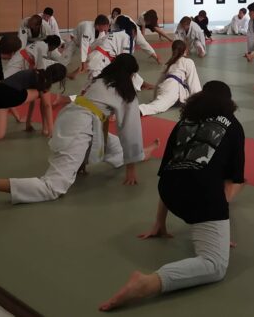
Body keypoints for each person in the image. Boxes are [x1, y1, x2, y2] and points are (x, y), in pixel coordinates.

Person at [99, 81, 244, 311]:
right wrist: (219, 227)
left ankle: (164, 227)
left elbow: (170, 168)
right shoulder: (233, 126)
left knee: (187, 171)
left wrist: (159, 222)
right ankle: (147, 283)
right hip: (202, 197)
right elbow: (231, 182)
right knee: (215, 265)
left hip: (168, 190)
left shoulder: (184, 122)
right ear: (229, 103)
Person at [0, 54, 159, 209]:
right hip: (81, 126)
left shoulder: (98, 80)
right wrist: (130, 170)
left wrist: (84, 160)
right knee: (54, 187)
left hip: (76, 119)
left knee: (116, 149)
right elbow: (130, 131)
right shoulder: (127, 93)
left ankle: (143, 152)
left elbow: (102, 120)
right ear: (131, 74)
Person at [140, 40, 202, 116]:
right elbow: (193, 82)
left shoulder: (169, 63)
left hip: (165, 87)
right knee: (159, 106)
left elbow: (159, 82)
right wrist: (199, 101)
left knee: (159, 103)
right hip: (172, 88)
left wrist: (155, 97)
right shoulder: (188, 62)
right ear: (185, 50)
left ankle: (140, 109)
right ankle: (138, 110)